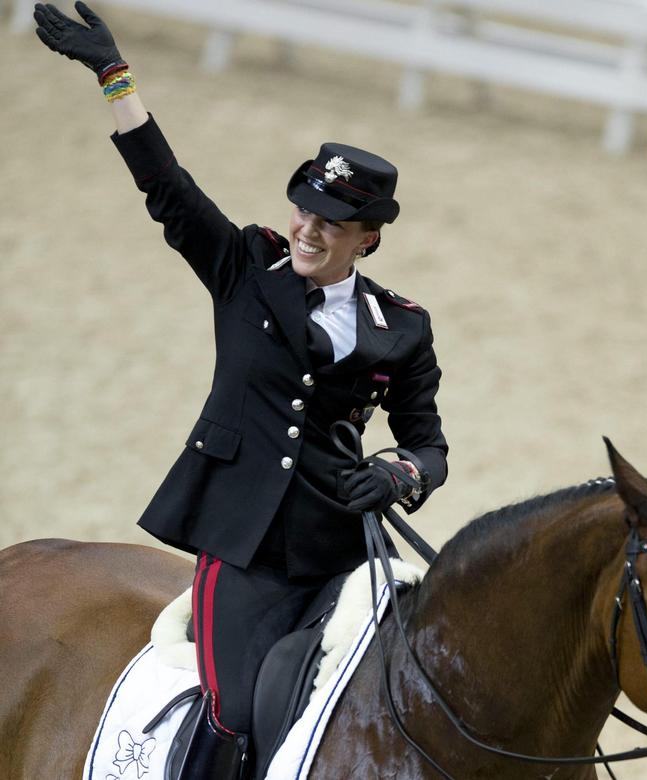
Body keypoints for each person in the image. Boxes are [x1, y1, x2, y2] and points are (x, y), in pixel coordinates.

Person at [33, 3, 449, 777]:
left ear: (370, 237)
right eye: (304, 209)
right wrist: (113, 76)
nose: (308, 229)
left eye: (331, 222)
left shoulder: (402, 327)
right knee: (239, 712)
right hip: (244, 542)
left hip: (343, 552)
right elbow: (169, 190)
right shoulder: (246, 271)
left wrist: (398, 473)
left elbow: (428, 443)